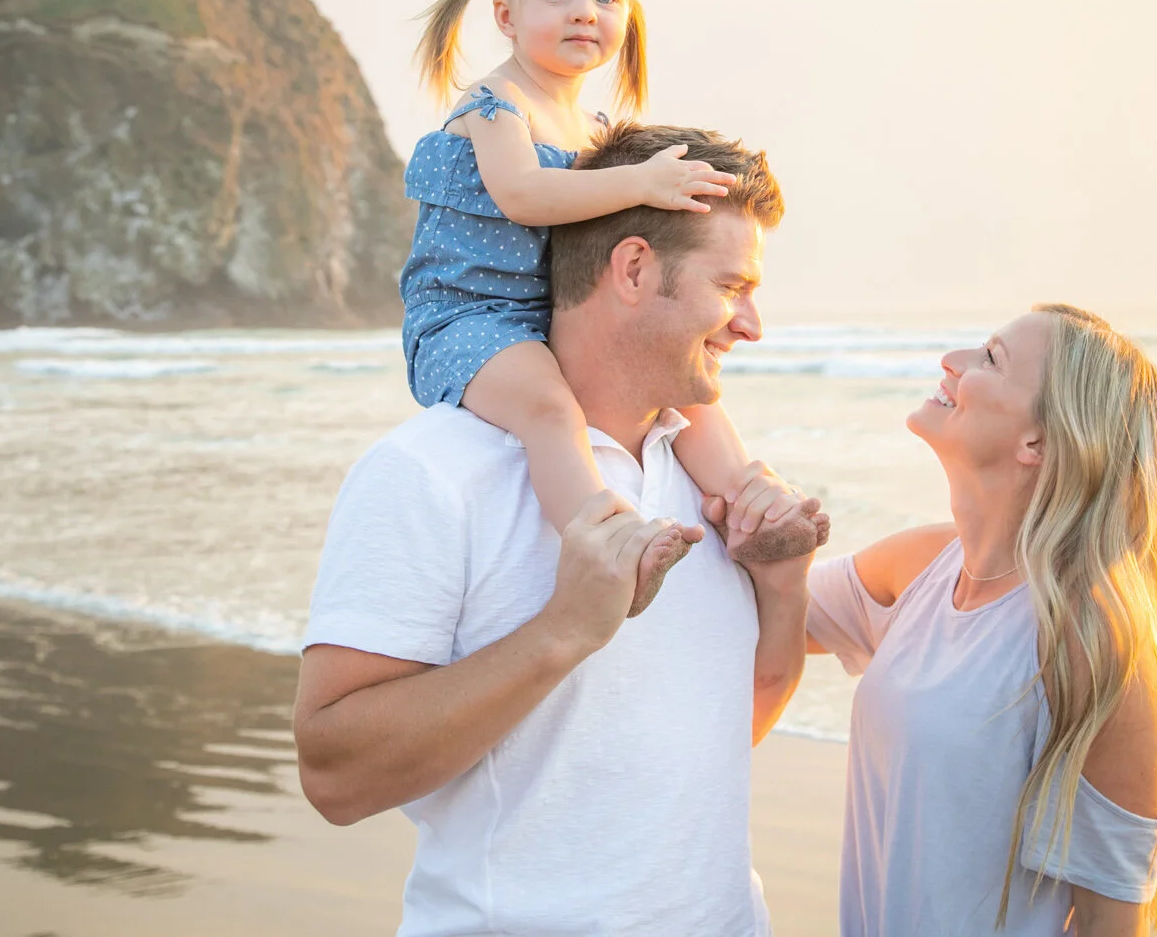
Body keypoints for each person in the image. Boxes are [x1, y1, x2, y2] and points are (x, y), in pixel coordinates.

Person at [295, 122, 829, 936]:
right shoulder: (434, 471)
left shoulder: (711, 477)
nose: (751, 324)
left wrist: (782, 583)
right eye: (733, 286)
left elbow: (734, 721)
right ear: (635, 268)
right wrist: (563, 632)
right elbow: (335, 775)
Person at [402, 0, 817, 614]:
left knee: (685, 391)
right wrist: (642, 180)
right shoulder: (496, 103)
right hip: (469, 317)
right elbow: (526, 194)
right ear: (505, 15)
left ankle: (751, 501)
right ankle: (605, 545)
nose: (583, 12)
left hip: (547, 310)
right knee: (548, 408)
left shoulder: (593, 126)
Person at [799, 306, 1157, 935]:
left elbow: (1109, 923)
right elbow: (750, 616)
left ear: (1036, 442)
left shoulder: (1091, 636)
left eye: (990, 358)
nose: (951, 362)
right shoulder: (921, 565)